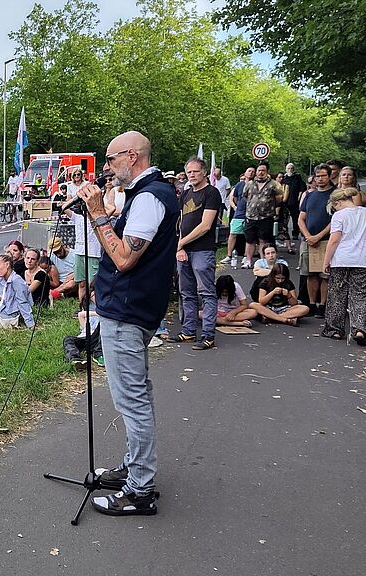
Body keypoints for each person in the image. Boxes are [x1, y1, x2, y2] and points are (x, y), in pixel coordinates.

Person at [75, 130, 179, 517]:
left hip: (128, 310)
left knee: (132, 402)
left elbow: (123, 259)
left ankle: (140, 490)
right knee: (137, 396)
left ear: (132, 156)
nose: (106, 167)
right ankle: (134, 469)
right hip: (132, 307)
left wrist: (99, 212)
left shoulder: (151, 196)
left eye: (111, 159)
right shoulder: (147, 194)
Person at [173, 156, 221, 350]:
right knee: (187, 293)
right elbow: (181, 222)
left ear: (204, 172)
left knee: (207, 293)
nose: (192, 175)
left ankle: (208, 335)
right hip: (185, 250)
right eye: (189, 172)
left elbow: (205, 225)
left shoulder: (212, 193)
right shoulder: (185, 194)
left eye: (195, 171)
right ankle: (188, 331)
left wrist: (181, 243)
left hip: (203, 250)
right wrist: (181, 247)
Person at [321, 188, 366, 344]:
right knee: (360, 294)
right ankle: (360, 328)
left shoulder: (339, 215)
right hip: (362, 259)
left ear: (337, 202)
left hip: (342, 258)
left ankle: (334, 329)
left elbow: (334, 240)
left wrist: (326, 260)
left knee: (337, 294)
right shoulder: (364, 213)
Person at [298, 163, 334, 317]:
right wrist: (308, 236)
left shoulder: (335, 195)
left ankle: (322, 305)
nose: (319, 179)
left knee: (325, 275)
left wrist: (319, 236)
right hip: (309, 240)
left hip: (327, 239)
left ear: (329, 176)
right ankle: (311, 304)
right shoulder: (309, 195)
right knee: (310, 273)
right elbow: (301, 218)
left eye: (323, 176)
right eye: (317, 176)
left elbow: (337, 220)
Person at [242, 161, 283, 269]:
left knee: (263, 240)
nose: (260, 173)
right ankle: (248, 261)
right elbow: (245, 196)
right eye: (259, 170)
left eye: (263, 171)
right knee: (249, 240)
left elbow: (279, 198)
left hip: (266, 217)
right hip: (251, 216)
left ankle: (262, 262)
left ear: (267, 171)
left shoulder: (274, 184)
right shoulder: (250, 184)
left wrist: (268, 205)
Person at [220, 166, 254, 268]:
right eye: (249, 171)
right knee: (233, 233)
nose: (251, 173)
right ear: (245, 173)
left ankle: (246, 256)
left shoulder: (256, 185)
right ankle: (229, 255)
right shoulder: (240, 184)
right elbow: (234, 197)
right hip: (239, 214)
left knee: (249, 236)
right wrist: (236, 207)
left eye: (253, 171)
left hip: (252, 214)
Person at [281, 163, 307, 253]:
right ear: (286, 169)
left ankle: (295, 233)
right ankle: (284, 234)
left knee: (295, 218)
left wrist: (299, 198)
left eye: (292, 168)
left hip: (294, 200)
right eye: (288, 168)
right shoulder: (284, 178)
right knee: (284, 219)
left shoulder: (297, 177)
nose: (290, 169)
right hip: (285, 201)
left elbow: (302, 188)